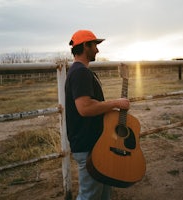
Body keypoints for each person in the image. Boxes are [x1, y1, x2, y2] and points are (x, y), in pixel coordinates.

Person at [65, 30, 130, 200]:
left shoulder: (82, 71)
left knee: (102, 194)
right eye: (95, 45)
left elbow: (90, 105)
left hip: (95, 145)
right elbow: (85, 108)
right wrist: (116, 103)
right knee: (89, 196)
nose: (97, 50)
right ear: (86, 46)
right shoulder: (80, 72)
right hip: (87, 146)